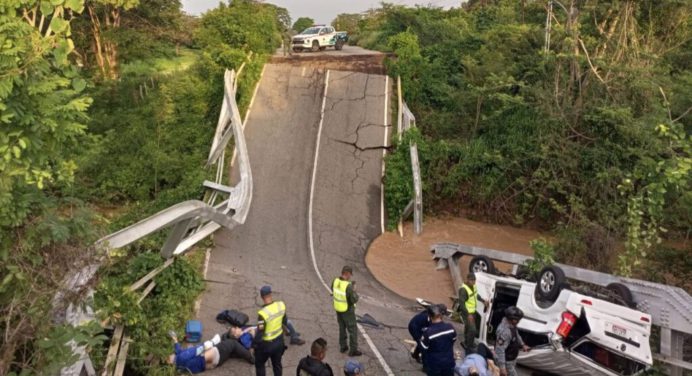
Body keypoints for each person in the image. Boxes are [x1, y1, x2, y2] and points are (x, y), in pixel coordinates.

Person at [168, 332, 253, 374]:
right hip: (211, 356)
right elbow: (195, 353)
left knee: (230, 350)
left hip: (215, 359)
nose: (168, 355)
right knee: (232, 343)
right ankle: (252, 359)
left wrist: (175, 340)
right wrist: (208, 345)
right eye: (167, 358)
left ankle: (245, 349)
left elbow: (178, 349)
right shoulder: (180, 359)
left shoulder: (178, 357)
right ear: (170, 362)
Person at [253, 285, 291, 376]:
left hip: (266, 346)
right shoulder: (281, 305)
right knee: (277, 365)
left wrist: (254, 345)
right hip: (279, 343)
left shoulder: (263, 314)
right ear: (271, 294)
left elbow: (260, 333)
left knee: (260, 364)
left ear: (262, 297)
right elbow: (285, 321)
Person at [420, 304, 457, 376]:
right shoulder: (450, 328)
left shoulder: (428, 333)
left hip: (434, 366)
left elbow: (423, 349)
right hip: (449, 364)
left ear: (430, 317)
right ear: (441, 315)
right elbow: (453, 340)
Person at [332, 266, 360, 356]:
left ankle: (343, 346)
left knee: (342, 328)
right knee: (352, 330)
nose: (350, 277)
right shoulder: (348, 286)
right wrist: (354, 290)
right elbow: (354, 299)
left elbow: (334, 290)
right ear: (347, 273)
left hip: (338, 309)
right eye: (350, 275)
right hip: (347, 311)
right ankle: (353, 350)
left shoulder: (335, 281)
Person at [495, 307, 530, 376]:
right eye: (518, 320)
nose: (519, 321)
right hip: (506, 361)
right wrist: (502, 368)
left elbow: (517, 335)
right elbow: (500, 350)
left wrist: (523, 345)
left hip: (512, 359)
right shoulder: (505, 332)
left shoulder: (512, 326)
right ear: (513, 320)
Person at [458, 273, 488, 351]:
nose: (473, 282)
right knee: (472, 329)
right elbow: (461, 304)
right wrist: (468, 315)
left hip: (473, 311)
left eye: (474, 280)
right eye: (472, 280)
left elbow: (475, 295)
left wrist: (483, 300)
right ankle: (469, 345)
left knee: (468, 328)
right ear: (467, 279)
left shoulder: (473, 286)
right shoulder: (463, 290)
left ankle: (467, 342)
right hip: (467, 313)